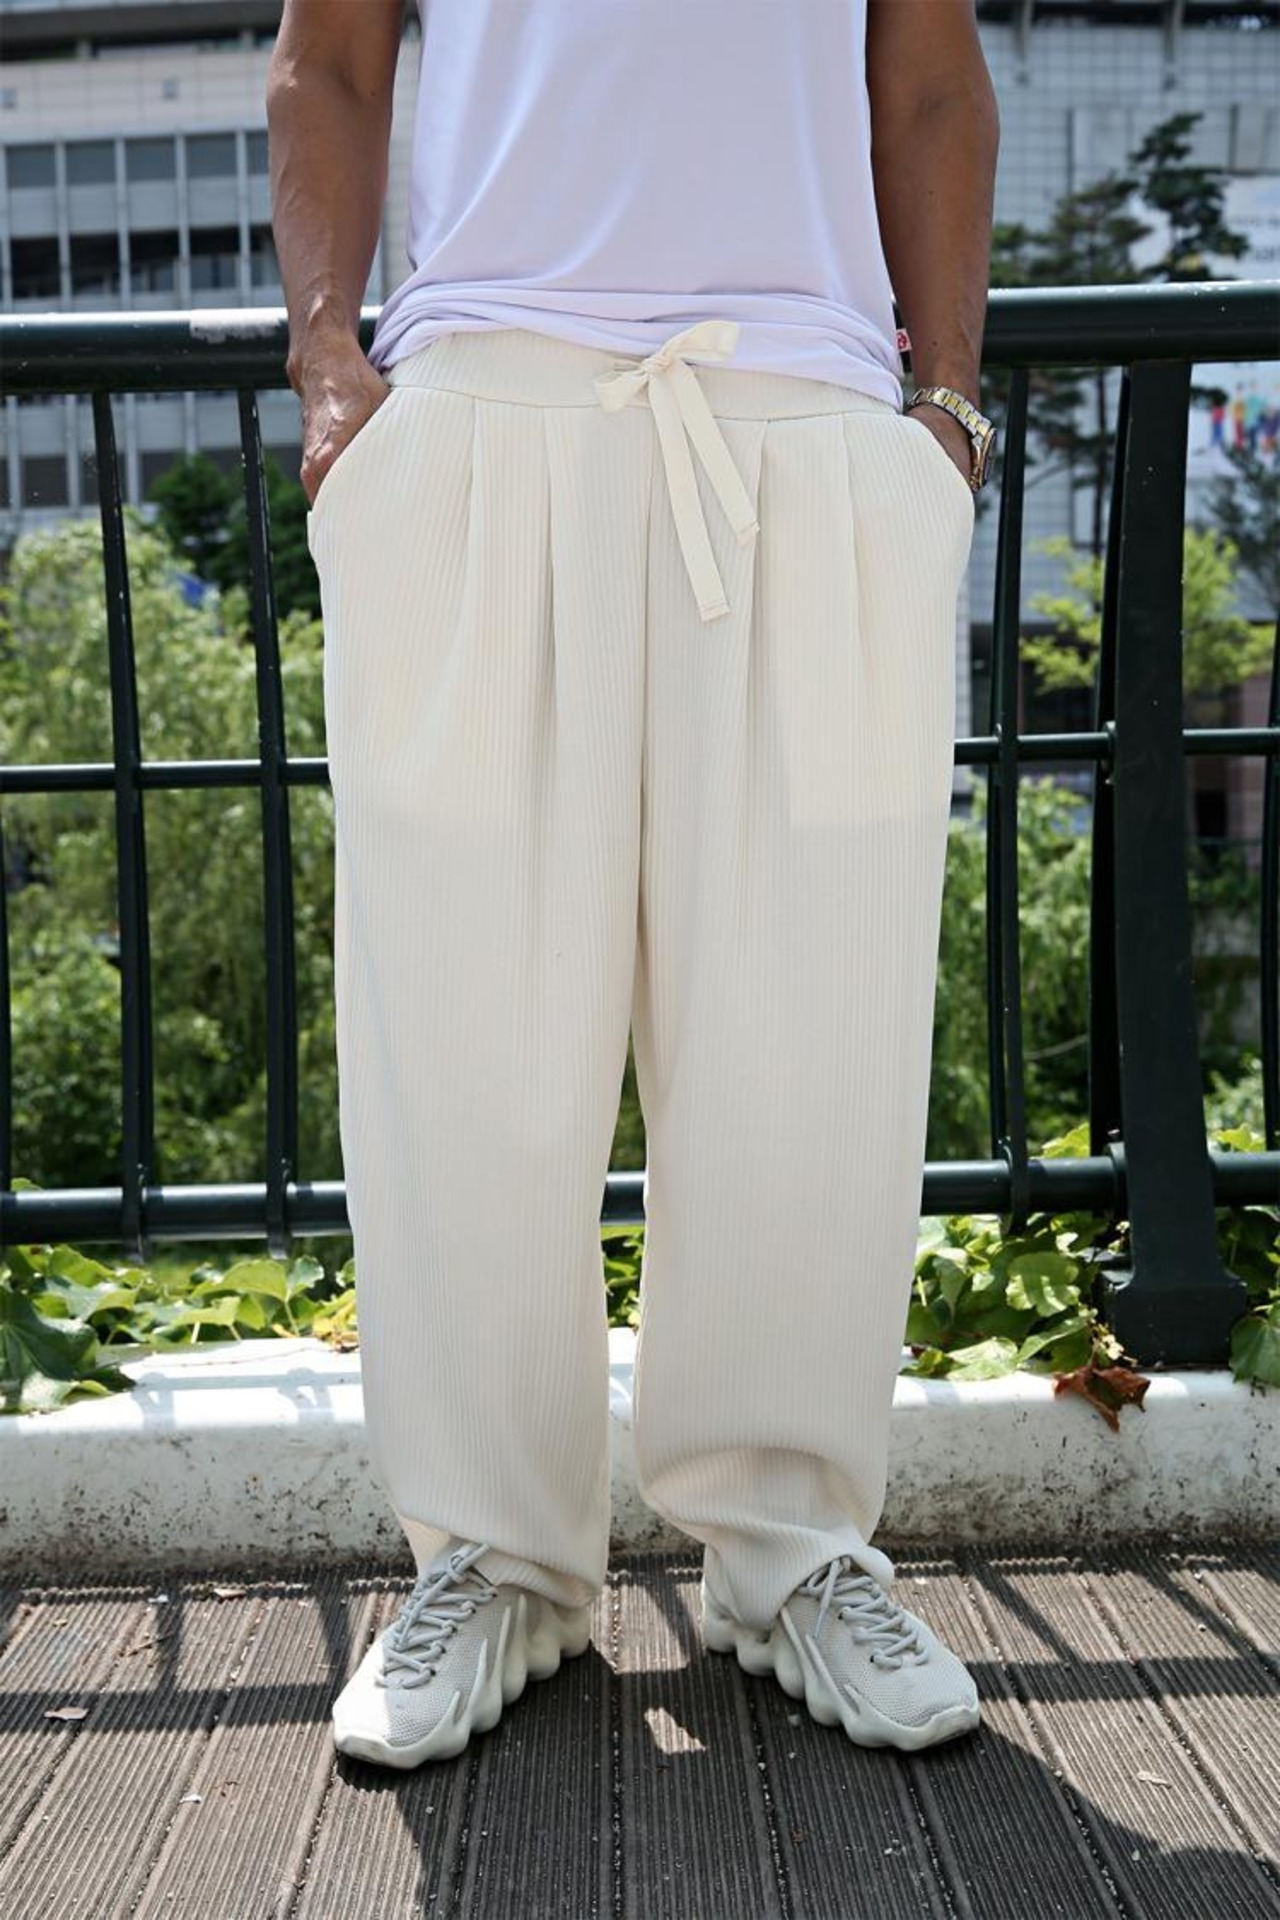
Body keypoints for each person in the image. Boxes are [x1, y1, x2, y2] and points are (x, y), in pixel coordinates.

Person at [267, 0, 1000, 1772]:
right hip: (486, 409)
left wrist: (946, 415)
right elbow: (329, 60)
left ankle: (792, 1547)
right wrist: (331, 368)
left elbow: (927, 81)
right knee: (463, 1033)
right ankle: (493, 1556)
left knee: (811, 1037)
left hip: (809, 427)